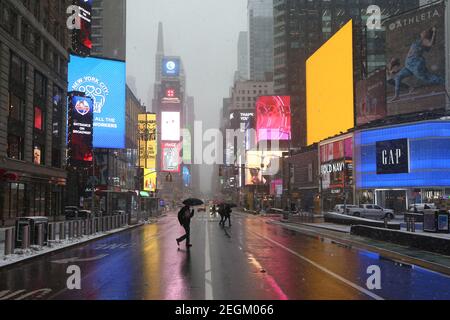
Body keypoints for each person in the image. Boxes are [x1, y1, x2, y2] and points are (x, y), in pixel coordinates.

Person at [390, 26, 444, 102]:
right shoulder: (418, 40)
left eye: (424, 31)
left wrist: (434, 32)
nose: (422, 32)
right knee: (398, 77)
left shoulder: (425, 41)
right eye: (423, 31)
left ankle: (444, 81)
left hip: (416, 65)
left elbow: (431, 44)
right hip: (408, 65)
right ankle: (397, 96)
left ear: (427, 35)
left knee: (427, 78)